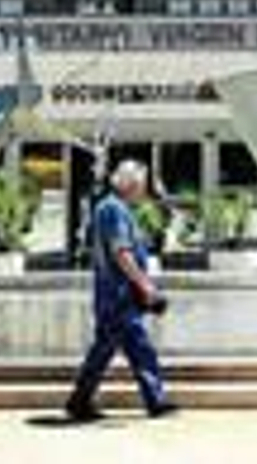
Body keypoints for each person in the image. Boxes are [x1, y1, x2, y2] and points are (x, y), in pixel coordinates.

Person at [65, 159, 177, 422]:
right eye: (142, 185)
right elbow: (121, 252)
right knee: (138, 347)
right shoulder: (114, 210)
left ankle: (80, 400)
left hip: (113, 295)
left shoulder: (110, 208)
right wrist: (146, 286)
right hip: (120, 296)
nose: (144, 191)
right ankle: (154, 401)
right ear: (130, 185)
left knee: (111, 349)